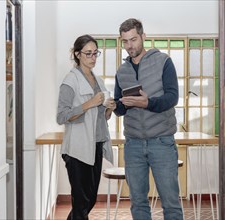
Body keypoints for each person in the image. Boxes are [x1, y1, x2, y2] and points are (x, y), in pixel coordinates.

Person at [113, 18, 183, 220]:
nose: (129, 46)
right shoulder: (122, 71)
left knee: (170, 202)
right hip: (133, 144)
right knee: (138, 203)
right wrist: (114, 106)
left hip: (162, 142)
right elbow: (121, 109)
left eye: (133, 39)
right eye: (125, 41)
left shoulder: (163, 61)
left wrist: (147, 103)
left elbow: (172, 97)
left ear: (143, 37)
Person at [57, 34, 116, 220]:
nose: (93, 58)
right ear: (77, 54)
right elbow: (62, 116)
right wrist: (89, 103)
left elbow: (101, 118)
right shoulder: (70, 81)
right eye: (88, 53)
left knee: (89, 200)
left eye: (95, 53)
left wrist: (109, 109)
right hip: (77, 149)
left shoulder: (99, 81)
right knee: (82, 202)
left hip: (96, 145)